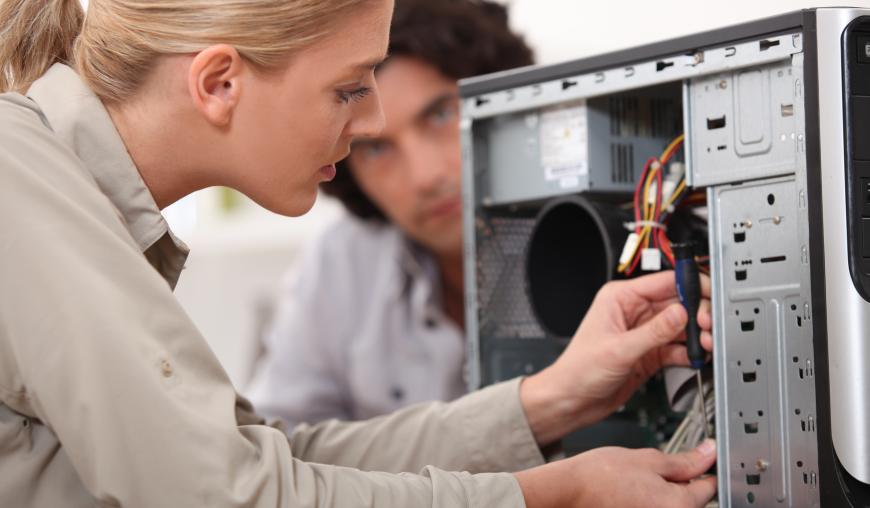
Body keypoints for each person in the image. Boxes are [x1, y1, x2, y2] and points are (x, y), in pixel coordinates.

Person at [0, 0, 717, 506]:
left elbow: (266, 466)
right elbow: (229, 495)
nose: (370, 120)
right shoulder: (18, 173)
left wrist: (548, 402)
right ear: (219, 83)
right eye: (350, 87)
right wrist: (554, 496)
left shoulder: (56, 187)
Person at [246, 0, 534, 427]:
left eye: (439, 114)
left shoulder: (613, 232)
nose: (425, 176)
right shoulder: (340, 262)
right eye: (376, 148)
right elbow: (275, 451)